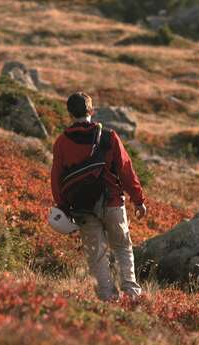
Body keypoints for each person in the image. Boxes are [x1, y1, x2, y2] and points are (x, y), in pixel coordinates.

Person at [51, 92, 147, 301]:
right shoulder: (109, 136)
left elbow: (57, 178)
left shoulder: (61, 142)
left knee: (97, 256)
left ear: (69, 113)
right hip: (112, 202)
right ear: (91, 111)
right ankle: (131, 293)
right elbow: (126, 170)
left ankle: (107, 298)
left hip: (82, 208)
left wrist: (63, 206)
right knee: (122, 246)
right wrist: (138, 200)